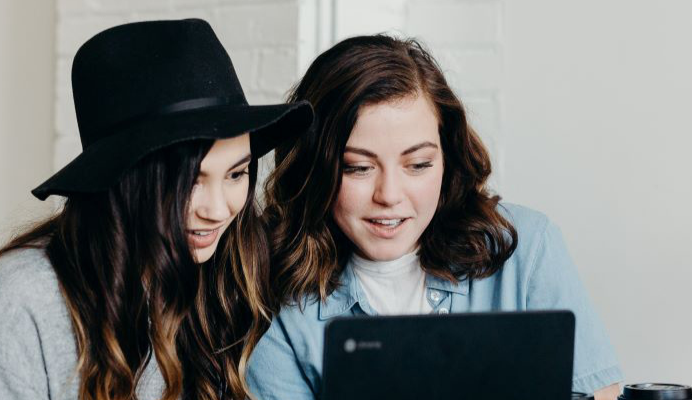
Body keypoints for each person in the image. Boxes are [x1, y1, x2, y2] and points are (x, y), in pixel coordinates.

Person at [0, 19, 312, 400]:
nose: (217, 210)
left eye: (236, 174)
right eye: (190, 182)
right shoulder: (21, 299)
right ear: (126, 181)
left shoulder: (221, 280)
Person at [246, 35, 623, 399]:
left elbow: (598, 394)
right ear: (314, 171)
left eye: (418, 164)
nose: (389, 195)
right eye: (359, 168)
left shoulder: (526, 247)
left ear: (447, 159)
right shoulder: (274, 294)